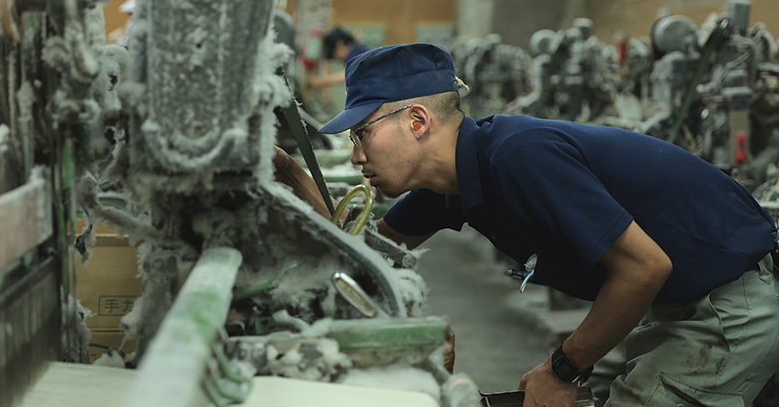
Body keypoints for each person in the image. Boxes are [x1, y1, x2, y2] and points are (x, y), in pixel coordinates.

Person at [273, 43, 779, 406]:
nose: (356, 156)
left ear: (418, 121)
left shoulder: (519, 157)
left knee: (560, 387)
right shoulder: (452, 181)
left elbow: (645, 268)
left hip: (727, 308)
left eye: (363, 133)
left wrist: (561, 369)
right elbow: (369, 255)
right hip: (674, 304)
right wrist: (300, 186)